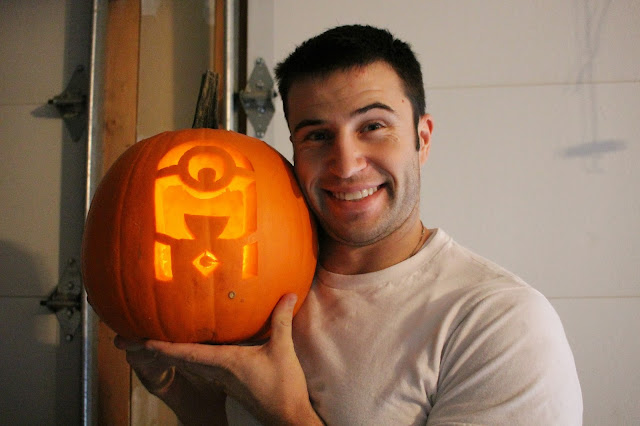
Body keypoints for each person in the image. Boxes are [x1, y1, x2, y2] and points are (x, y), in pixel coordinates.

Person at [115, 24, 583, 425]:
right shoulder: (250, 281)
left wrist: (288, 413)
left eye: (373, 127)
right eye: (317, 135)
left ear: (421, 139)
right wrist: (183, 395)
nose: (345, 164)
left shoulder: (500, 324)